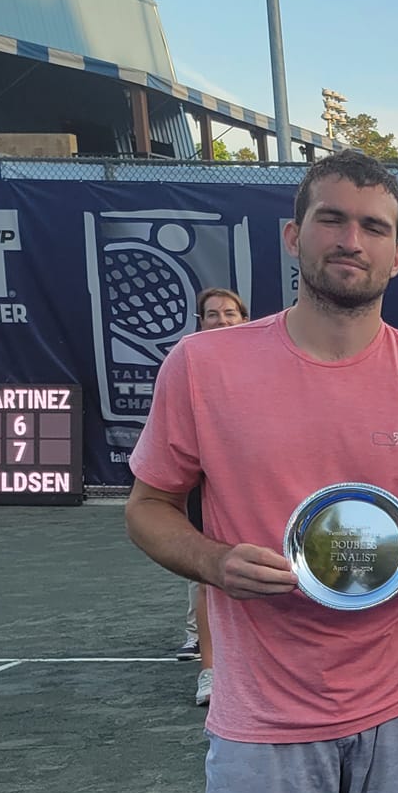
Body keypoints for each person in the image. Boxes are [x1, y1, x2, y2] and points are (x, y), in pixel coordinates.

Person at [124, 150, 398, 793]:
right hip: (265, 706)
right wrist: (216, 563)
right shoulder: (202, 367)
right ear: (294, 236)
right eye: (333, 219)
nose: (352, 240)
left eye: (373, 227)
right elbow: (149, 508)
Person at [175, 287, 249, 707]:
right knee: (208, 580)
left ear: (244, 318)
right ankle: (210, 671)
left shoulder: (264, 365)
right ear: (200, 322)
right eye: (212, 314)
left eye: (230, 313)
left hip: (252, 487)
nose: (221, 321)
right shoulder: (186, 366)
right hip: (207, 486)